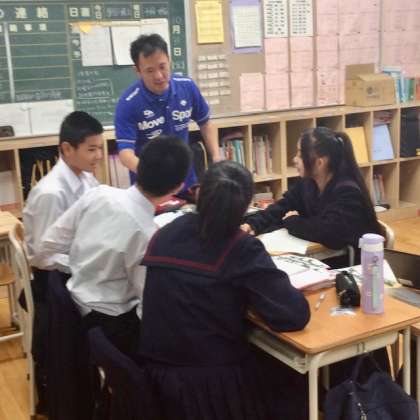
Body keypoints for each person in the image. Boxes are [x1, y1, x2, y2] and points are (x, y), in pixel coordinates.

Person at [138, 160, 310, 420]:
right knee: (294, 377)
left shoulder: (166, 233)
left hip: (157, 381)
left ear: (198, 193)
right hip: (212, 391)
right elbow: (293, 315)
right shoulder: (241, 248)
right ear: (245, 205)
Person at [39, 135, 192, 357]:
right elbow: (150, 303)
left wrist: (80, 263)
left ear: (139, 166)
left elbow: (50, 242)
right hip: (110, 323)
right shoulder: (147, 236)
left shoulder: (98, 194)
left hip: (73, 301)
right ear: (178, 186)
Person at [22, 110, 103, 413]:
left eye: (100, 148)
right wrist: (85, 262)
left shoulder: (86, 179)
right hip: (54, 282)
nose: (98, 156)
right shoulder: (51, 193)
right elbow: (43, 255)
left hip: (75, 269)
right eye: (91, 149)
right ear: (67, 149)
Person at [242, 127, 382, 253]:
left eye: (300, 154)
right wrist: (252, 224)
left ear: (320, 162)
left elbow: (330, 234)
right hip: (321, 256)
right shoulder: (308, 183)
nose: (294, 159)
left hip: (350, 262)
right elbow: (282, 206)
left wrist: (292, 221)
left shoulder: (348, 192)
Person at [114, 33, 219, 195]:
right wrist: (152, 176)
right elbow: (125, 154)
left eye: (162, 67)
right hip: (150, 188)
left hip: (185, 182)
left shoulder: (187, 87)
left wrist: (217, 158)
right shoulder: (128, 103)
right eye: (149, 70)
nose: (158, 76)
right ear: (138, 71)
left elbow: (206, 123)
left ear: (169, 61)